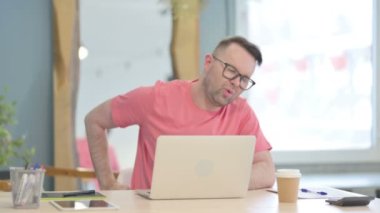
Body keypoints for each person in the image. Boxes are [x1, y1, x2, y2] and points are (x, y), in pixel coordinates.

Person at [84, 36, 275, 190]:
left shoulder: (242, 112)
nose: (235, 82)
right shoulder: (156, 98)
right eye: (231, 70)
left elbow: (266, 171)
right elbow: (95, 121)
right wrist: (107, 183)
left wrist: (220, 181)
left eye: (244, 79)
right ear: (208, 62)